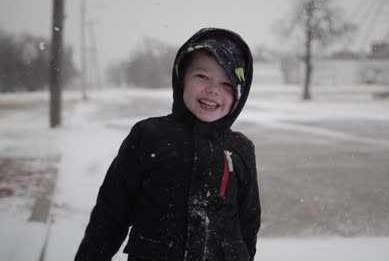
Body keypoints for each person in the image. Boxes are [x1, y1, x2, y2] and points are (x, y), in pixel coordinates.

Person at [75, 27, 261, 261]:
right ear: (181, 77)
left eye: (227, 84)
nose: (213, 89)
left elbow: (248, 222)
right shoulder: (150, 135)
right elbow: (111, 212)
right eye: (202, 76)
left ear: (239, 94)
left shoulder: (241, 148)